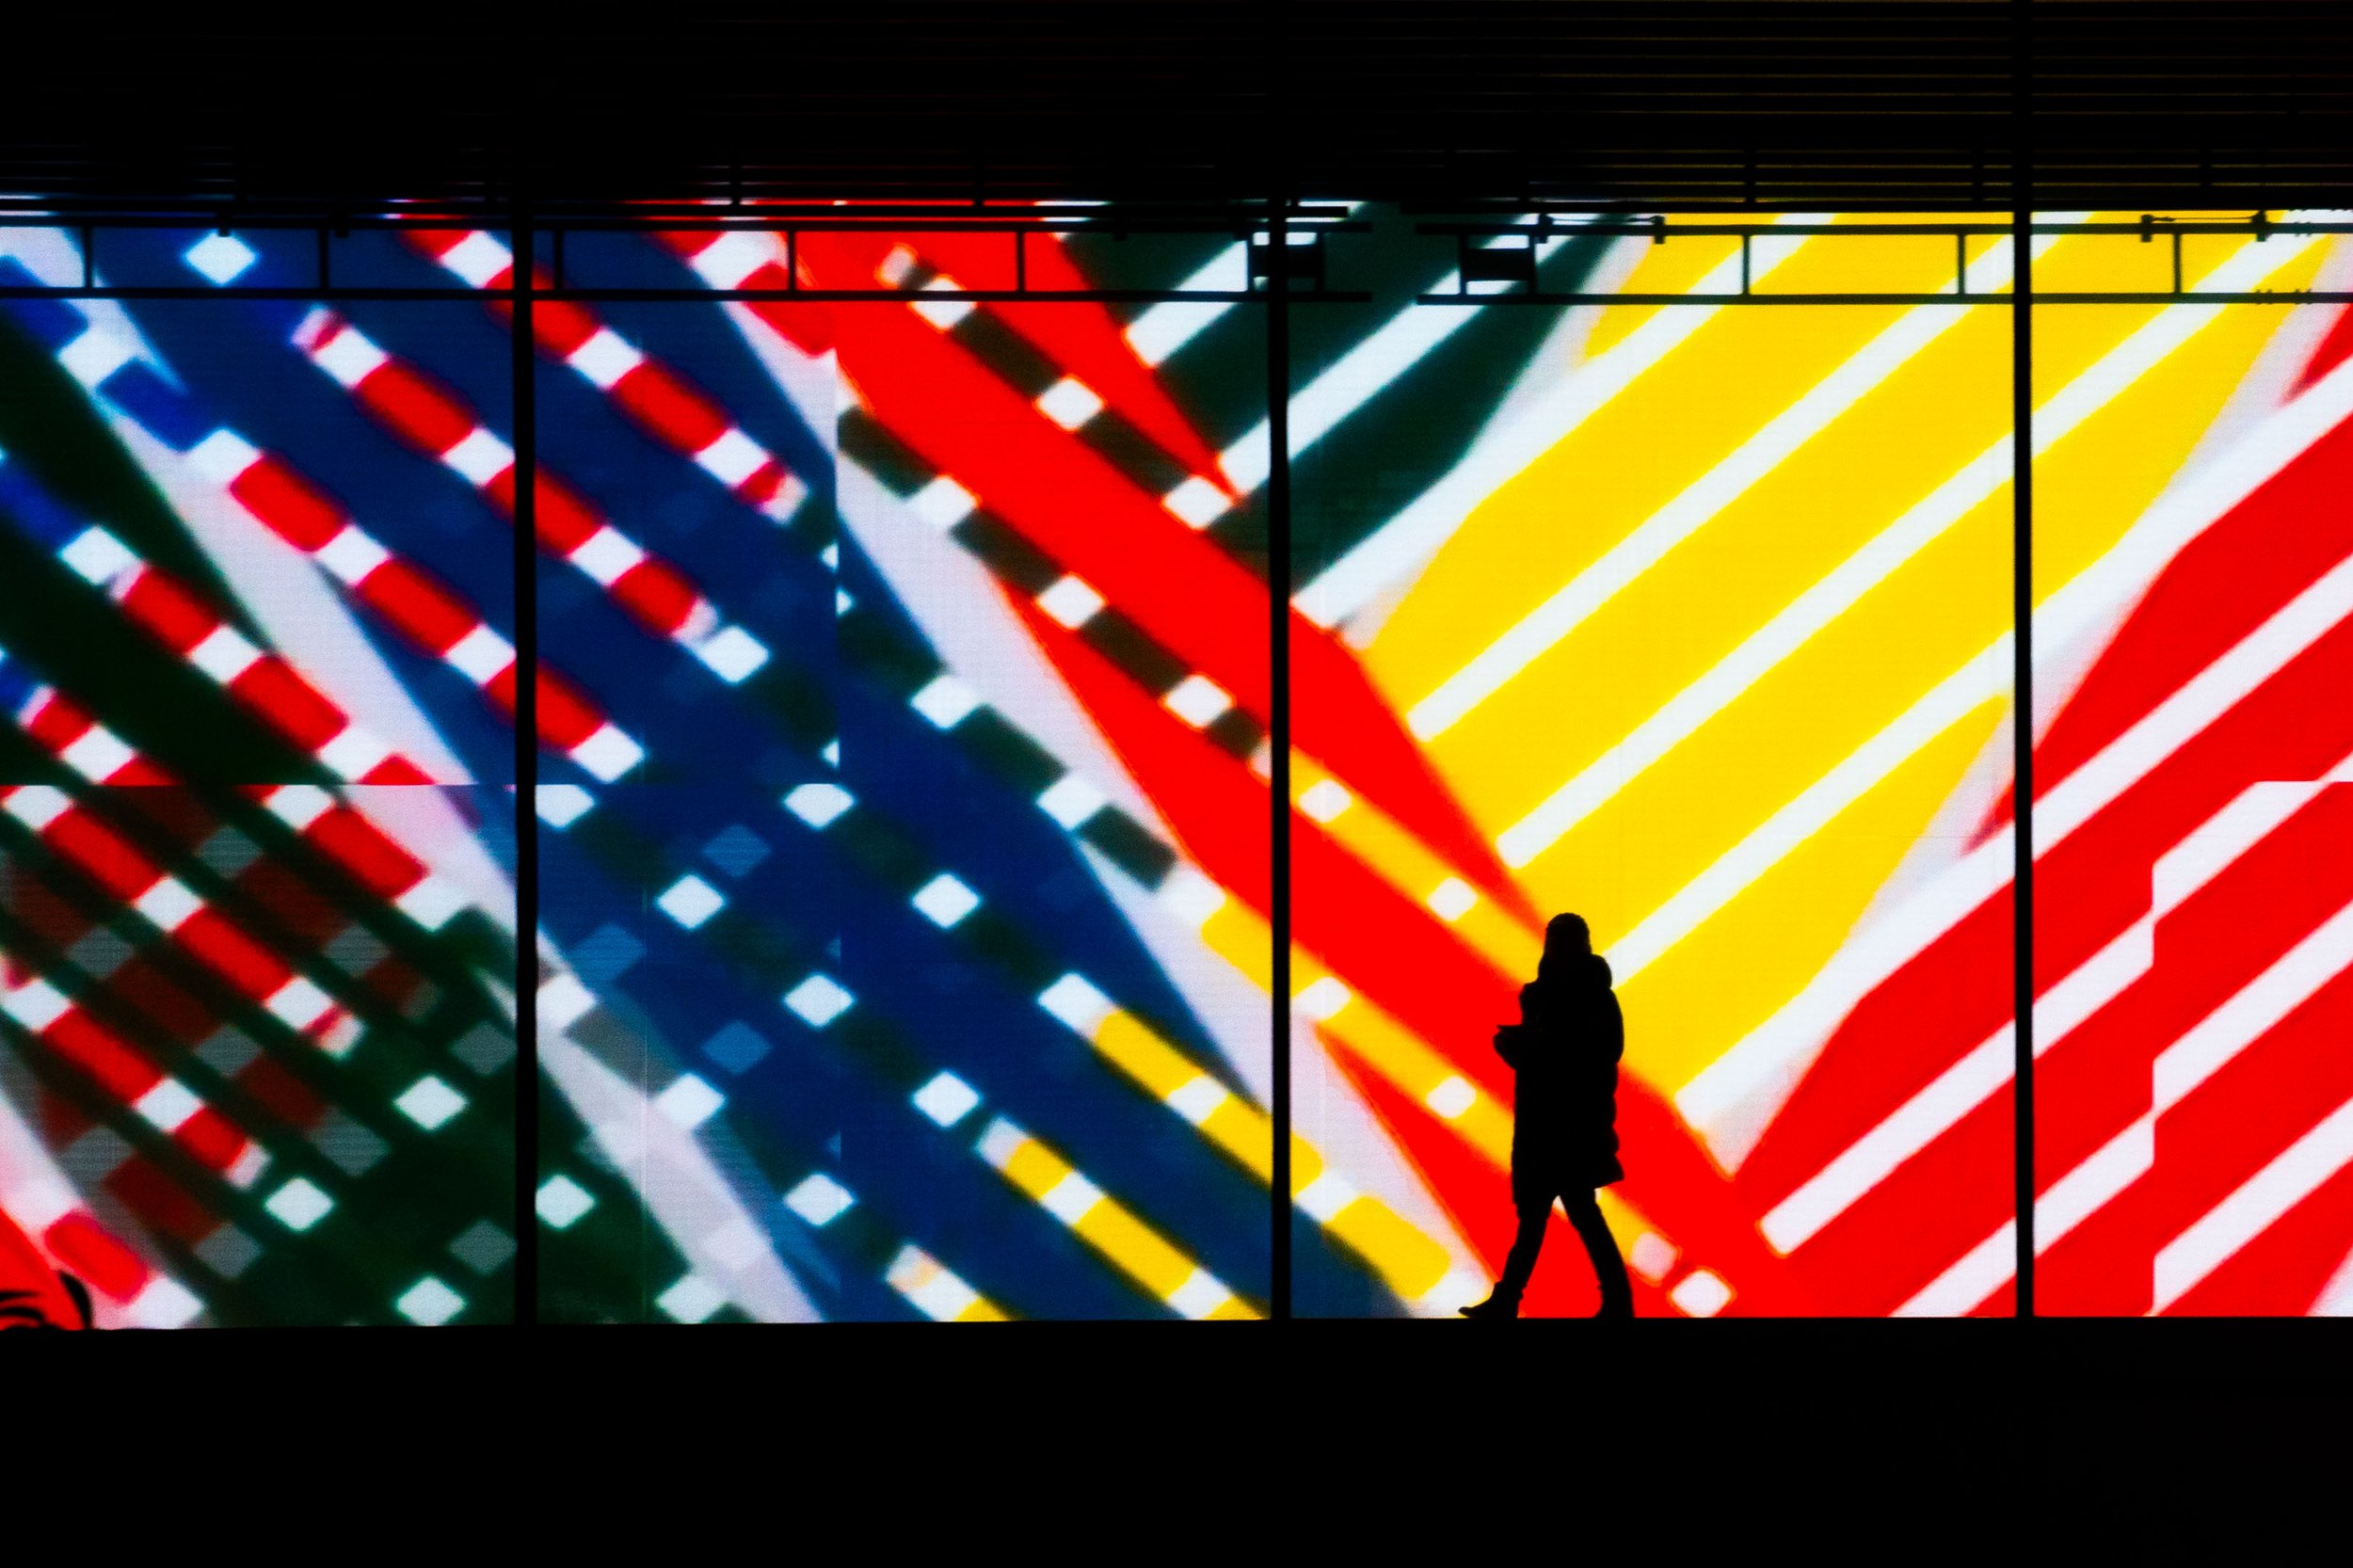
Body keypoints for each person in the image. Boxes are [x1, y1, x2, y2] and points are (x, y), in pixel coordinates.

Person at [1461, 913, 1635, 1320]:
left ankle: (1514, 1300)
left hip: (1570, 1126)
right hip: (1552, 1126)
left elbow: (1593, 1054)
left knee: (1555, 1215)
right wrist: (1525, 1047)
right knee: (1554, 1215)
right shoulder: (1557, 997)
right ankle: (1610, 1300)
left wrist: (1533, 1046)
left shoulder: (1588, 999)